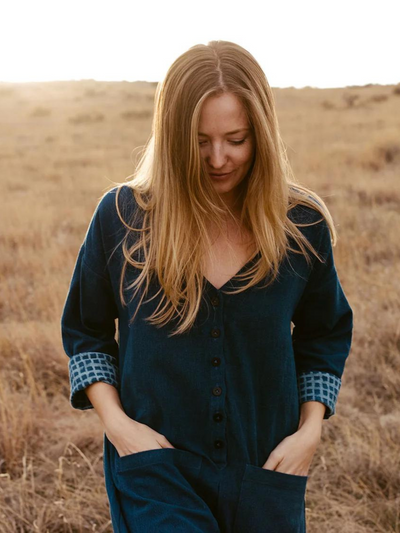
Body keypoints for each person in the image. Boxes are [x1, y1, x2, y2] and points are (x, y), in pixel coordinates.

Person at [60, 40, 353, 533]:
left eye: (236, 139)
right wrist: (119, 427)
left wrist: (309, 431)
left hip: (266, 475)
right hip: (154, 474)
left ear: (261, 132)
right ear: (171, 136)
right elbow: (86, 333)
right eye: (199, 142)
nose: (219, 159)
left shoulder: (301, 227)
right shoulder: (121, 218)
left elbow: (324, 335)